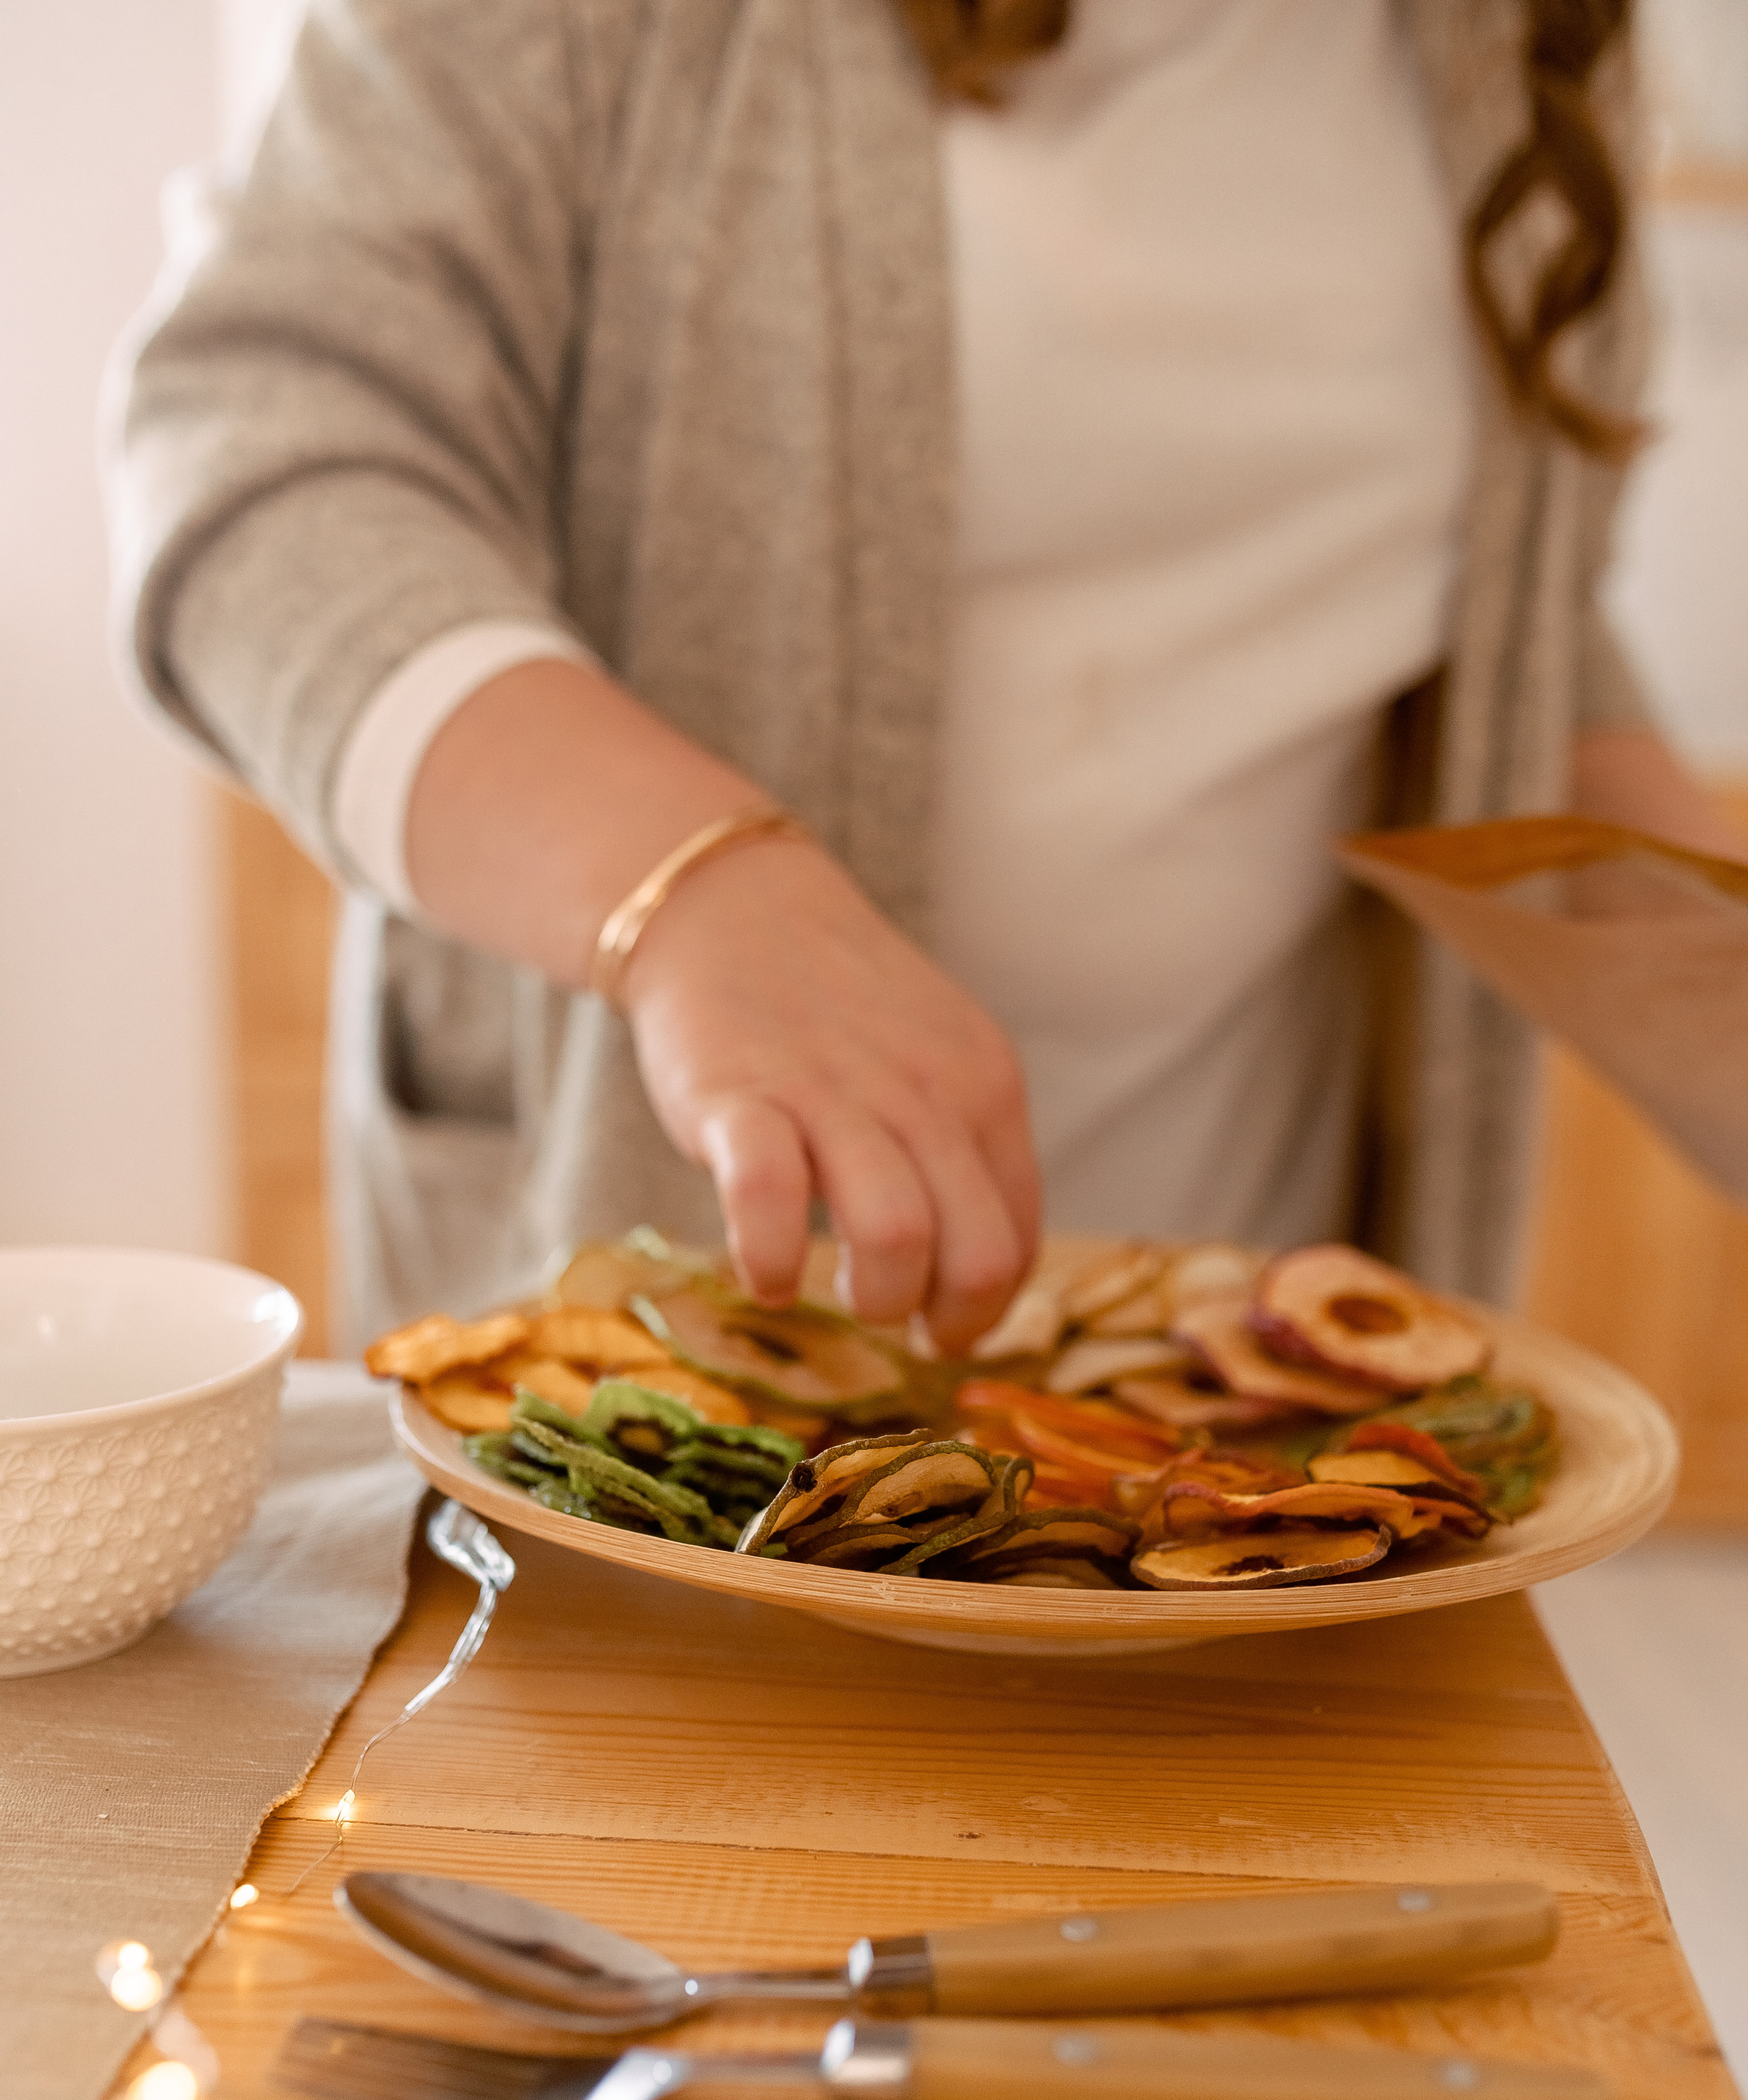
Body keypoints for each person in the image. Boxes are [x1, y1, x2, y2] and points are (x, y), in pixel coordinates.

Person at [108, 0, 1739, 1352]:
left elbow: (1483, 611)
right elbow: (266, 461)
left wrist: (1702, 971)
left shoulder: (1521, 47)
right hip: (676, 1341)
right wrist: (688, 889)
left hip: (1230, 1369)